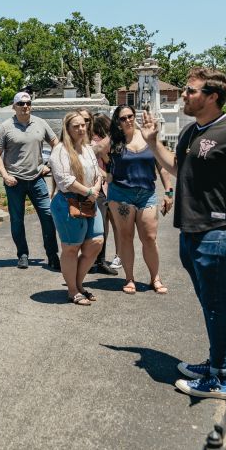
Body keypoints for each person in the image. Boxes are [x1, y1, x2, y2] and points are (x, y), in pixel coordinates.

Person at [139, 67, 226, 399]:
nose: (183, 95)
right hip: (191, 230)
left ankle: (221, 378)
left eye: (190, 91)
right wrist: (152, 142)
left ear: (212, 97)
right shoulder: (191, 132)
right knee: (209, 303)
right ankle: (216, 363)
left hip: (217, 232)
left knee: (215, 305)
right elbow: (178, 169)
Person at [107, 105, 173, 296]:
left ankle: (155, 278)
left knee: (149, 238)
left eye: (130, 116)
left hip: (146, 194)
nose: (128, 120)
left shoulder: (148, 137)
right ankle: (129, 278)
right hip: (121, 195)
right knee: (126, 237)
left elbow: (162, 166)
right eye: (123, 118)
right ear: (117, 123)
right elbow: (94, 155)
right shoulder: (113, 142)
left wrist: (169, 192)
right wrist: (106, 177)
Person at [0, 91, 60, 270]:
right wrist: (5, 175)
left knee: (48, 216)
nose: (25, 106)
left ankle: (52, 255)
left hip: (37, 178)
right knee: (17, 219)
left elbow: (56, 144)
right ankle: (22, 254)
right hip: (14, 181)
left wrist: (50, 165)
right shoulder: (5, 127)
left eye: (28, 103)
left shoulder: (40, 123)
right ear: (14, 106)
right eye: (21, 104)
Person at [49, 112, 104, 305]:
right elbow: (65, 179)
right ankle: (73, 290)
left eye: (83, 125)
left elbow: (98, 173)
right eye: (76, 126)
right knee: (71, 248)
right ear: (67, 129)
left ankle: (78, 283)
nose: (81, 129)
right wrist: (89, 191)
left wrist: (95, 188)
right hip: (68, 202)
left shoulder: (88, 149)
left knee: (96, 242)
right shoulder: (60, 150)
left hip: (89, 200)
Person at [89, 113, 123, 276]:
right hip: (106, 185)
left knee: (107, 224)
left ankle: (113, 257)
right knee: (107, 224)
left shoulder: (109, 141)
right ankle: (114, 256)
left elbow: (110, 163)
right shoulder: (97, 142)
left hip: (109, 185)